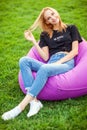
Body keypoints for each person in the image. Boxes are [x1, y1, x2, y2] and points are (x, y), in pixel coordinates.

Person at [2, 7, 82, 120]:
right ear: (47, 22)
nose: (53, 18)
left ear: (57, 12)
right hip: (51, 62)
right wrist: (33, 41)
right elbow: (45, 57)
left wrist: (59, 62)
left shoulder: (71, 28)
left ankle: (20, 107)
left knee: (44, 68)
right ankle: (34, 102)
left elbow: (75, 51)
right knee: (24, 60)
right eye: (49, 18)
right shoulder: (45, 35)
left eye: (53, 14)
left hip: (66, 61)